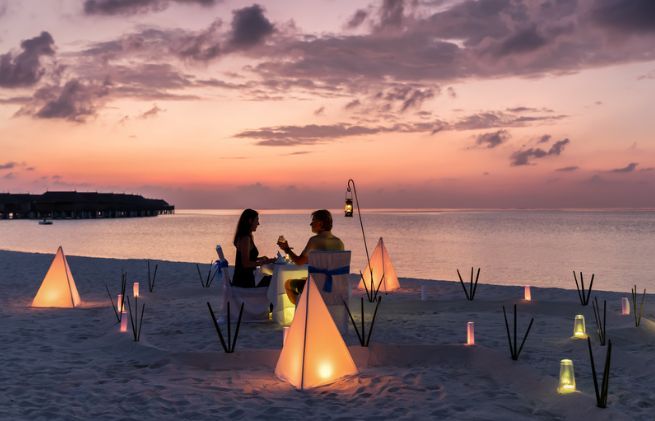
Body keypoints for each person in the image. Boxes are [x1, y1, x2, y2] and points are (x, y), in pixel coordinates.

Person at [277, 209, 344, 304]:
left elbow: (299, 262)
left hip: (318, 288)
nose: (311, 224)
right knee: (304, 279)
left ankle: (303, 310)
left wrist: (287, 249)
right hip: (335, 287)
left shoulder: (314, 240)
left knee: (287, 284)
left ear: (320, 224)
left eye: (313, 221)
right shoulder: (339, 242)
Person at [232, 209, 275, 288]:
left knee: (273, 279)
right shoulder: (245, 239)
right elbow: (245, 264)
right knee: (275, 280)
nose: (258, 224)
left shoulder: (245, 236)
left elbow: (247, 259)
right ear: (250, 221)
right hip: (244, 284)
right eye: (257, 220)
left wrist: (261, 259)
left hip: (243, 281)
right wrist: (262, 263)